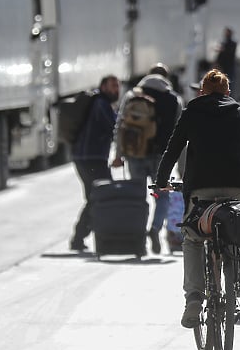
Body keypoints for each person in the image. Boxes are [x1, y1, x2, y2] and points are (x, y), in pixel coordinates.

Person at [155, 69, 240, 329]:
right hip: (236, 188)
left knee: (192, 238)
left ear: (202, 91)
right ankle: (235, 280)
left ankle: (194, 296)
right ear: (228, 92)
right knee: (235, 229)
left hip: (200, 190)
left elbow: (173, 148)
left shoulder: (191, 113)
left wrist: (161, 180)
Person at [111, 63, 182, 254]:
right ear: (167, 78)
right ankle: (156, 228)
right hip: (162, 157)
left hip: (135, 154)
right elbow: (179, 132)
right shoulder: (173, 99)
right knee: (162, 196)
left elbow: (120, 126)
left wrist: (118, 155)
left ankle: (139, 240)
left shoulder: (133, 96)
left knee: (138, 197)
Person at [69, 75, 121, 251]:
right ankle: (81, 237)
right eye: (113, 86)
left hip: (87, 157)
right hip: (91, 158)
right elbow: (113, 127)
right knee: (100, 196)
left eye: (118, 86)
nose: (117, 90)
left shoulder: (100, 103)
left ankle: (83, 237)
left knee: (96, 197)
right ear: (104, 86)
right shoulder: (101, 104)